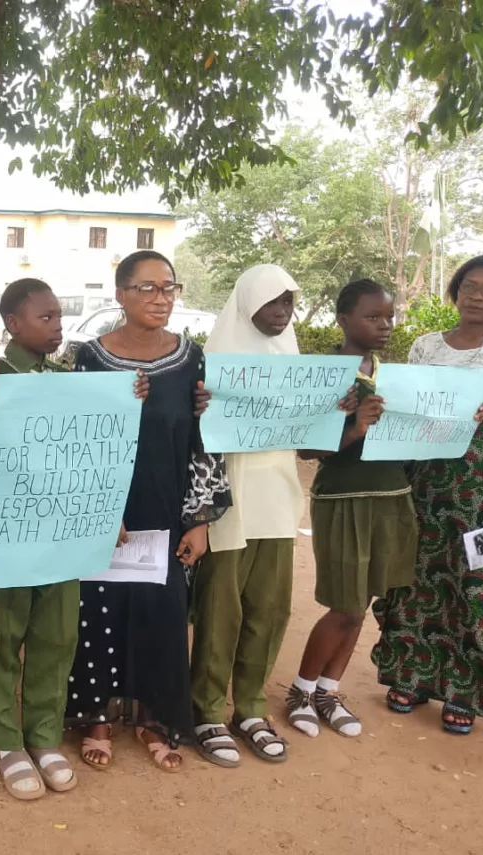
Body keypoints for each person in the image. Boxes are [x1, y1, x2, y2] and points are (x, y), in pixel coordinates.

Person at [0, 278, 152, 798]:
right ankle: (6, 742)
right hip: (8, 533)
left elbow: (93, 453)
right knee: (3, 638)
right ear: (12, 325)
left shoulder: (69, 376)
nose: (56, 326)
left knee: (56, 636)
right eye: (44, 318)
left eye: (58, 317)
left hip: (63, 531)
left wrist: (126, 399)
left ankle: (44, 735)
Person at [61, 252, 229, 773]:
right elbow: (73, 439)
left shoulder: (191, 358)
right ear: (120, 294)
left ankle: (155, 718)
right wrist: (95, 510)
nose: (160, 298)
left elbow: (206, 438)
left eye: (168, 288)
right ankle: (97, 719)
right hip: (108, 513)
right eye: (146, 288)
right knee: (99, 612)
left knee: (163, 613)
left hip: (168, 509)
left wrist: (199, 519)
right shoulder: (86, 357)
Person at [372, 254, 483, 735]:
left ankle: (465, 691)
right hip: (423, 488)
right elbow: (406, 413)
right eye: (470, 285)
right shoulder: (427, 346)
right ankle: (411, 677)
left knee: (478, 589)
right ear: (456, 289)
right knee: (414, 581)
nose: (478, 295)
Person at [287, 279, 417, 739]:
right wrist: (355, 428)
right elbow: (306, 450)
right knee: (342, 603)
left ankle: (328, 690)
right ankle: (300, 691)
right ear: (344, 320)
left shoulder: (389, 371)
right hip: (342, 498)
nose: (384, 325)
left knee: (361, 603)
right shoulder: (326, 374)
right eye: (372, 317)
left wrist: (461, 418)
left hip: (390, 495)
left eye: (388, 316)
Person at [190, 264, 305, 767]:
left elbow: (308, 438)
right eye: (272, 302)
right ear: (245, 304)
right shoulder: (215, 361)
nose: (281, 313)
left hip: (279, 504)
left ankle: (251, 708)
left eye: (289, 303)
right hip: (228, 505)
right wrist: (199, 407)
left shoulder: (295, 360)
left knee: (269, 612)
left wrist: (333, 409)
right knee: (221, 614)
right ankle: (207, 711)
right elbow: (195, 441)